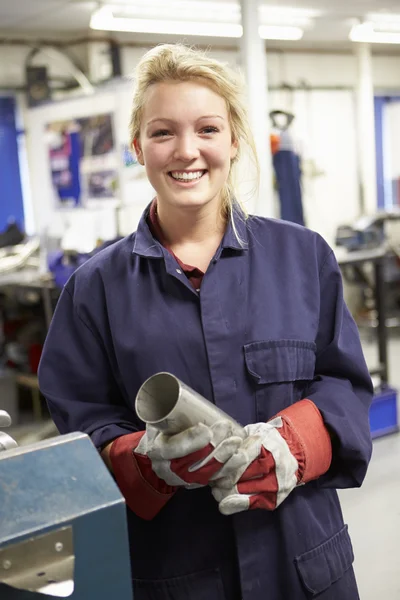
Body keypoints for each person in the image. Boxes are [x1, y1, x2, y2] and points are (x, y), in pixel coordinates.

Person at [38, 44, 373, 600]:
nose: (187, 151)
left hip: (304, 567)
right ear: (137, 147)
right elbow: (81, 427)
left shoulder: (303, 256)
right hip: (178, 574)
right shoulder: (94, 288)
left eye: (208, 129)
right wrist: (145, 464)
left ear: (234, 140)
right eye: (163, 132)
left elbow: (344, 385)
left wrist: (291, 445)